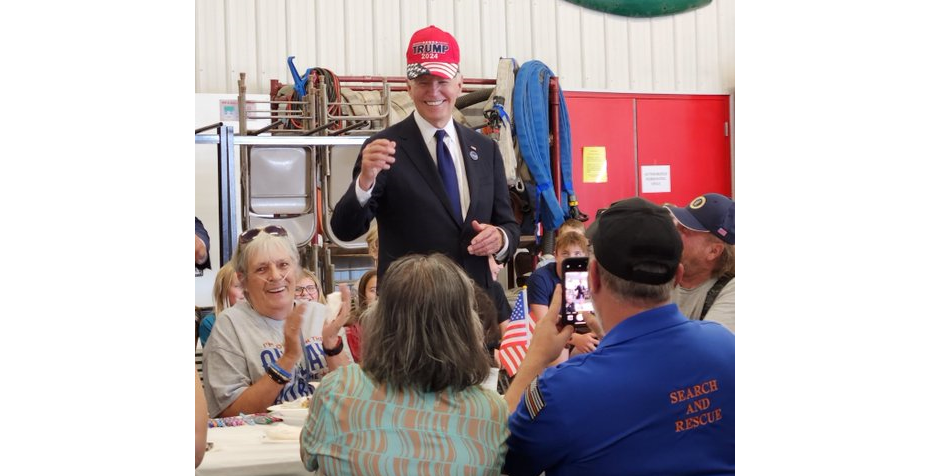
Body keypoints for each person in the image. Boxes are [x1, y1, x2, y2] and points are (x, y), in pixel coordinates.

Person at [503, 198, 735, 476]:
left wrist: (534, 361)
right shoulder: (727, 347)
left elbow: (491, 456)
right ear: (677, 276)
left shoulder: (563, 390)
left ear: (593, 278)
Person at [330, 25, 520, 291]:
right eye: (423, 82)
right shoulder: (382, 148)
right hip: (412, 313)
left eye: (442, 82)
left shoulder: (485, 150)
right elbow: (344, 230)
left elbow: (509, 225)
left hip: (475, 308)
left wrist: (500, 239)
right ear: (408, 87)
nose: (433, 92)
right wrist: (364, 182)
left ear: (459, 84)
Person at [300, 254, 509, 475]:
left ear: (380, 321)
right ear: (468, 326)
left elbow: (309, 458)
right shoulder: (491, 411)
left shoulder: (337, 390)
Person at [202, 225, 354, 418]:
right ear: (243, 281)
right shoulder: (230, 326)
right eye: (261, 269)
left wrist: (332, 346)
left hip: (325, 434)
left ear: (296, 269)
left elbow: (352, 398)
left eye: (283, 265)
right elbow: (229, 413)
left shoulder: (322, 316)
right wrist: (287, 359)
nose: (275, 276)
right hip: (262, 442)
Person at [665, 193, 735, 333]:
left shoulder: (732, 291)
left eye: (685, 230)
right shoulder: (662, 273)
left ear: (713, 251)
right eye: (678, 225)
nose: (674, 233)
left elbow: (709, 348)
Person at [526, 231, 599, 358]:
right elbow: (543, 323)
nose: (571, 258)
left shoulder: (589, 275)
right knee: (560, 352)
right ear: (556, 256)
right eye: (565, 254)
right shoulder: (540, 278)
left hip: (585, 330)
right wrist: (576, 339)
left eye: (577, 254)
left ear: (585, 256)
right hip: (554, 335)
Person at [198, 261, 245, 347]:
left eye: (247, 285)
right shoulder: (210, 324)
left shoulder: (261, 318)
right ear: (223, 291)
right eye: (238, 286)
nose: (245, 291)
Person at [346, 269, 378, 363]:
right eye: (373, 290)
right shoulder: (352, 329)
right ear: (363, 293)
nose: (379, 295)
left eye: (385, 289)